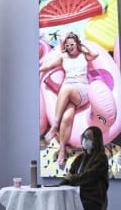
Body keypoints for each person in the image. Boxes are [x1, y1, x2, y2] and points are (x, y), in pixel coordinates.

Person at [39, 31, 98, 167]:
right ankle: (62, 149)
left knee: (65, 88)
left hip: (81, 91)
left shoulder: (83, 55)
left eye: (72, 44)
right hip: (69, 94)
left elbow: (95, 55)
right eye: (68, 45)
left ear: (77, 44)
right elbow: (49, 66)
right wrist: (38, 69)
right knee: (67, 117)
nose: (70, 47)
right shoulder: (63, 56)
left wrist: (83, 45)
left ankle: (54, 126)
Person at [60, 126, 109, 210]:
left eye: (89, 137)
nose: (85, 139)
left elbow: (89, 176)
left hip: (93, 200)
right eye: (84, 136)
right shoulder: (79, 158)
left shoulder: (101, 158)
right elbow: (69, 176)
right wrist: (57, 187)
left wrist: (72, 178)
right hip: (77, 197)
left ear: (96, 140)